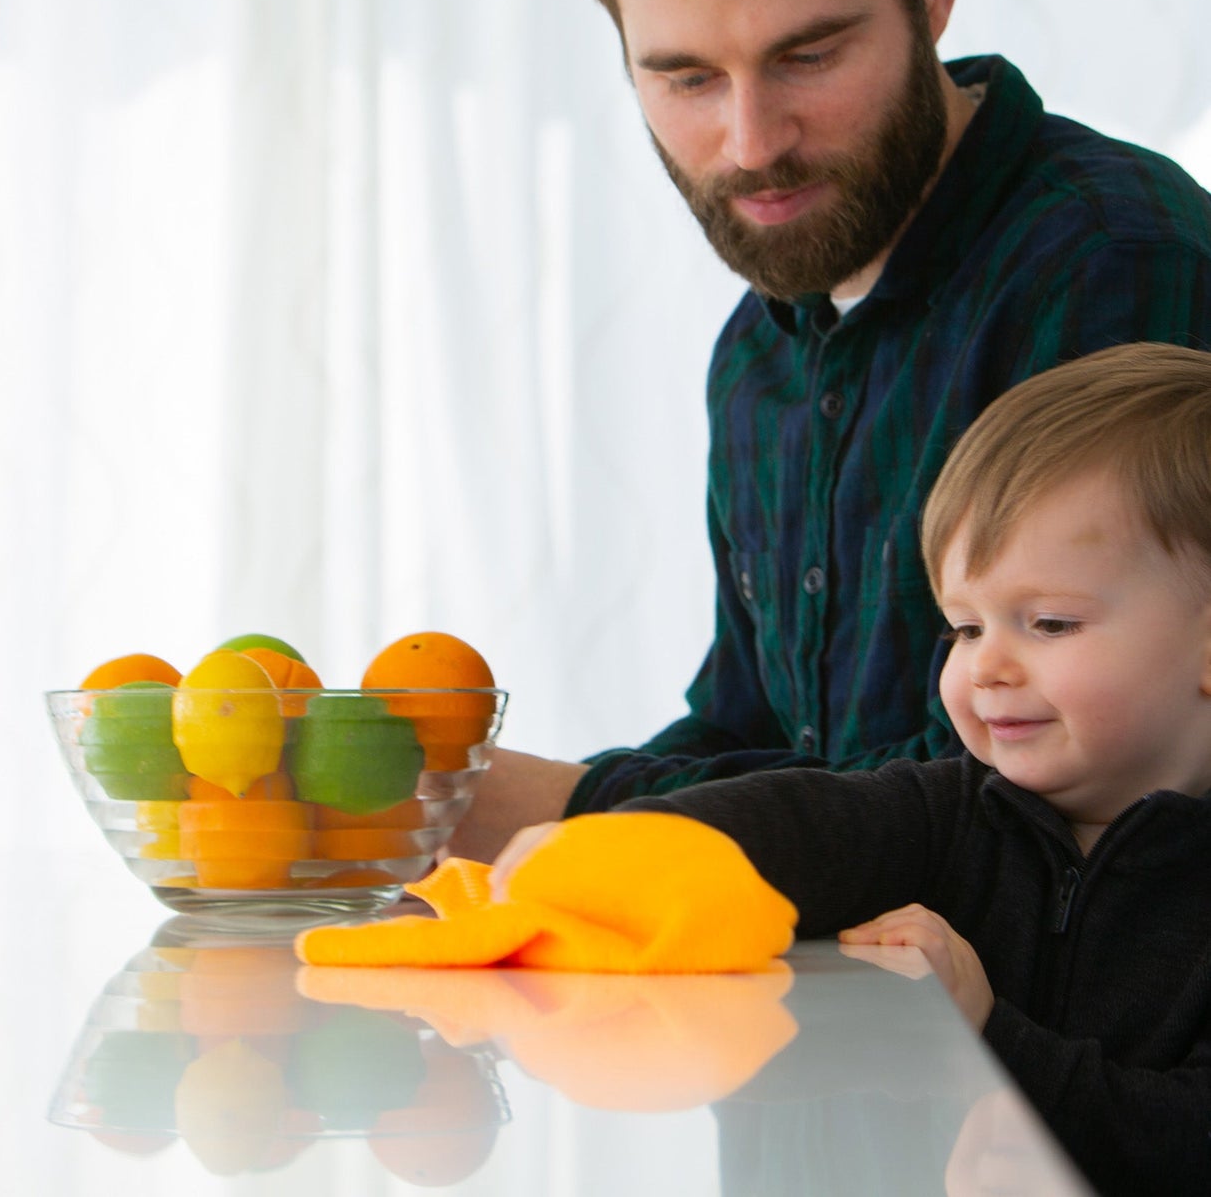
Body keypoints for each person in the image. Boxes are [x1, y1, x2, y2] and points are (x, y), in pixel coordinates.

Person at [448, 0, 1211, 862]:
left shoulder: (1116, 265)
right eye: (687, 77)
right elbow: (757, 739)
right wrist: (472, 822)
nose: (751, 143)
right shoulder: (762, 350)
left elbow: (1036, 814)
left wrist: (571, 810)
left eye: (808, 56)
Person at [495, 342, 1211, 1197]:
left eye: (1049, 623)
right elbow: (808, 823)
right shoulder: (956, 809)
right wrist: (620, 847)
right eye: (966, 628)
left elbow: (1184, 1137)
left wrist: (993, 1035)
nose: (984, 669)